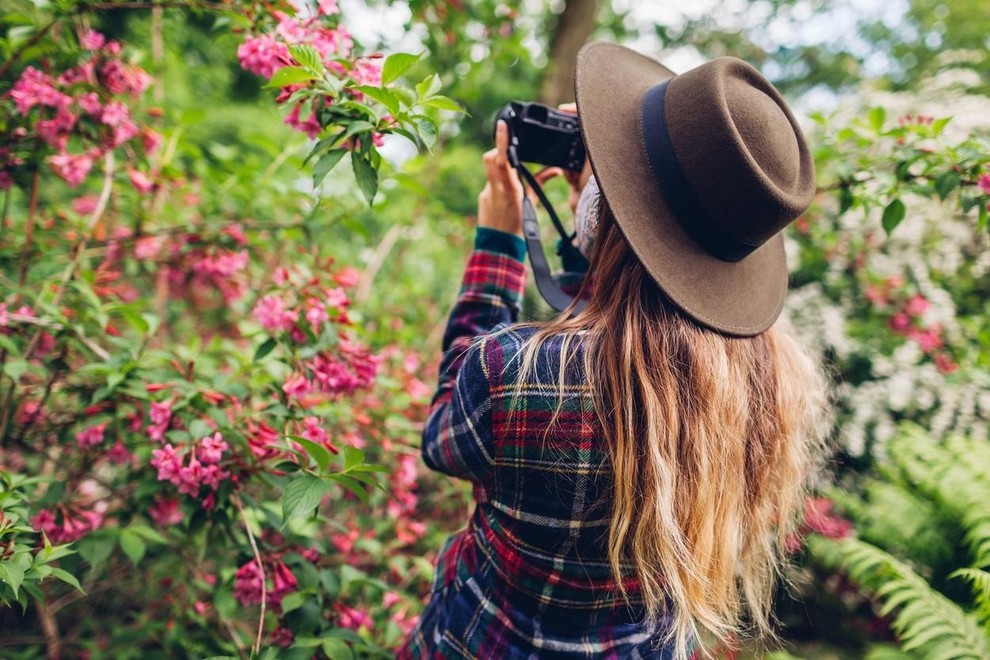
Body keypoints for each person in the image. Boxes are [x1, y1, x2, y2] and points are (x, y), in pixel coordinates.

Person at [398, 42, 829, 659]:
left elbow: (446, 438)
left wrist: (499, 245)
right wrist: (609, 219)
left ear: (607, 214)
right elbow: (643, 317)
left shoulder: (513, 370)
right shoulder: (770, 383)